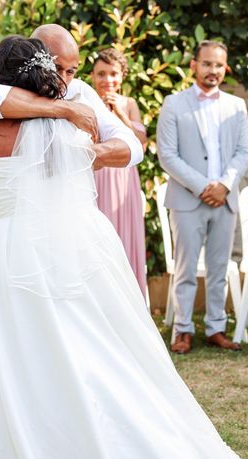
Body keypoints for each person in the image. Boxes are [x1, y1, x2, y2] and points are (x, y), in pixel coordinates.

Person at [0, 35, 248, 459]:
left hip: (4, 252)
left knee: (6, 354)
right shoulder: (70, 121)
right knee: (88, 351)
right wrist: (63, 116)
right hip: (73, 247)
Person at [156, 40, 248, 354]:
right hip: (187, 199)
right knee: (184, 269)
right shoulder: (173, 103)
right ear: (194, 65)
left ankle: (216, 328)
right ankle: (182, 329)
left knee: (219, 266)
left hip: (224, 200)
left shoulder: (236, 105)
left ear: (225, 68)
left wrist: (224, 185)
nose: (213, 71)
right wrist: (203, 187)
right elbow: (167, 156)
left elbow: (244, 151)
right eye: (207, 64)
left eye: (219, 65)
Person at [0, 24, 143, 170]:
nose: (63, 80)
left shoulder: (80, 90)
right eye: (55, 68)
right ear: (33, 56)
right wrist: (67, 110)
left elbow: (133, 147)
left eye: (71, 71)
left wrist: (79, 155)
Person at [89, 47, 148, 297]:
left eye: (113, 73)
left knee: (123, 237)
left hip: (123, 179)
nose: (107, 80)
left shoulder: (130, 104)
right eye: (101, 74)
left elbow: (142, 142)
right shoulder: (86, 102)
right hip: (95, 176)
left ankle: (129, 299)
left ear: (122, 76)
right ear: (92, 76)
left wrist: (122, 115)